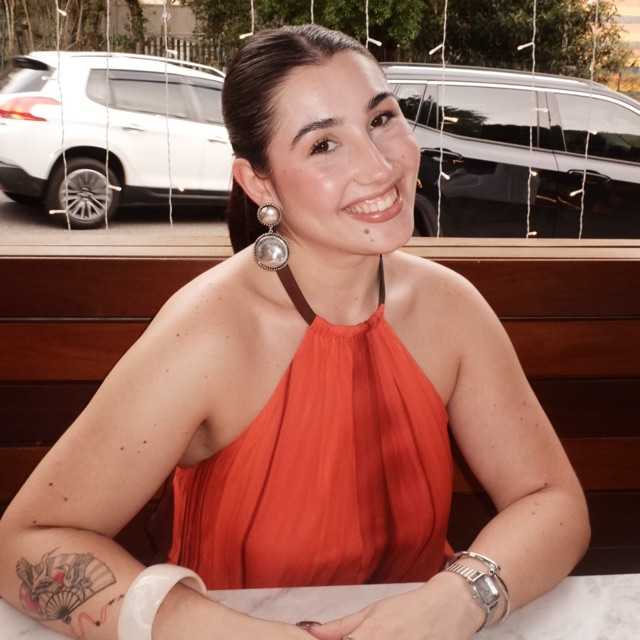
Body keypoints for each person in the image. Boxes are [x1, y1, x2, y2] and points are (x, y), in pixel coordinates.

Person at [0, 24, 590, 640]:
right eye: (323, 145)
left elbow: (553, 501)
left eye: (381, 119)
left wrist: (457, 599)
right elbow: (25, 544)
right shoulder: (209, 333)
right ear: (259, 183)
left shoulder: (450, 308)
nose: (380, 165)